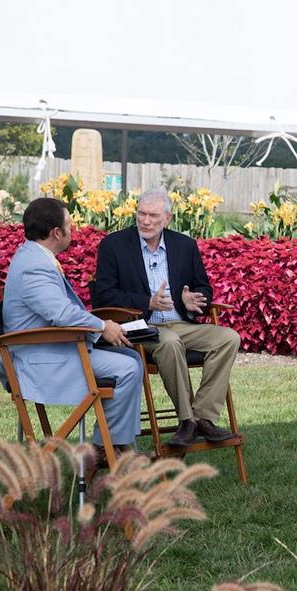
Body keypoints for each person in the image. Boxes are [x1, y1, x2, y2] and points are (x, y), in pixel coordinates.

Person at [93, 188, 240, 447]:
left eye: (153, 216)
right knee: (169, 340)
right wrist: (146, 302)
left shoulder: (185, 245)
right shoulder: (114, 245)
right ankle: (186, 420)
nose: (145, 221)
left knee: (228, 338)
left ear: (167, 219)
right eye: (141, 214)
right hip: (139, 326)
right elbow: (104, 296)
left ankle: (203, 417)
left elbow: (204, 288)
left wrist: (192, 299)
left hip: (181, 321)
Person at [2, 198, 143, 457]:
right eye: (70, 224)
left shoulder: (34, 256)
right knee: (129, 368)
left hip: (51, 348)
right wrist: (103, 327)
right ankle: (106, 449)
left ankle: (112, 444)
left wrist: (103, 329)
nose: (73, 230)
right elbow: (61, 313)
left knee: (131, 356)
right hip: (39, 361)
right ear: (57, 232)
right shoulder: (34, 265)